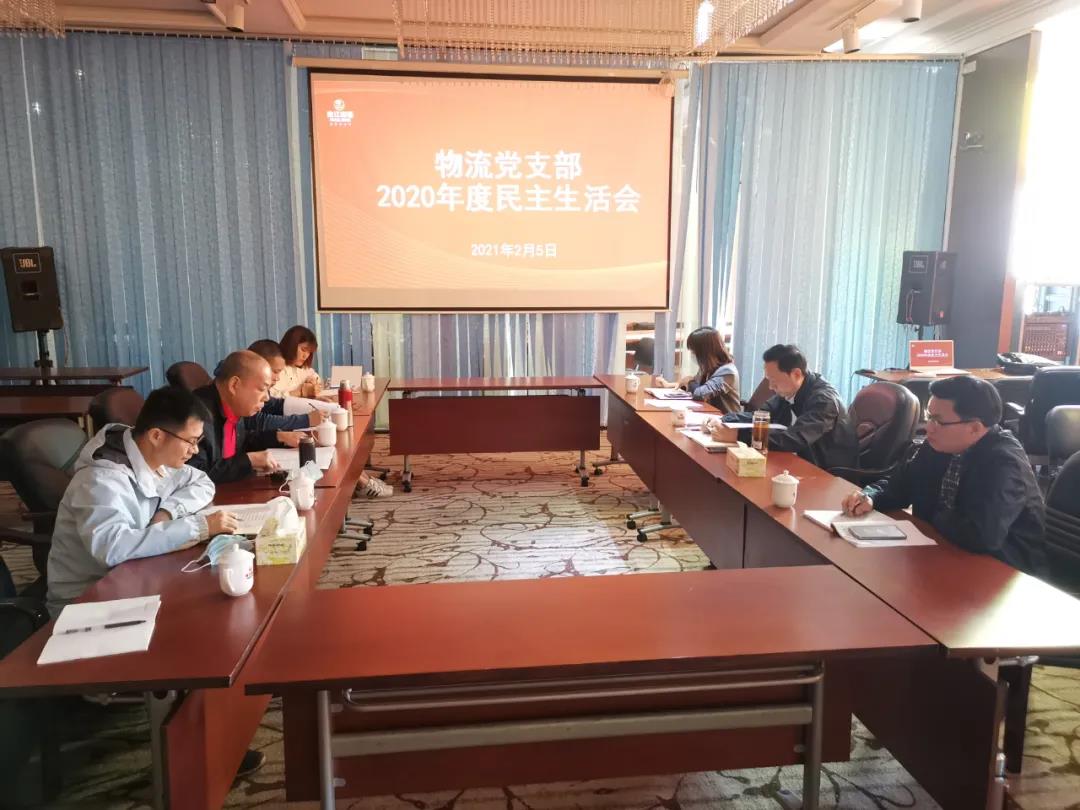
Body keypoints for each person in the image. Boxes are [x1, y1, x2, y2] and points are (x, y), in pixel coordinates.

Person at [46, 386, 237, 616]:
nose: (195, 450)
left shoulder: (151, 453)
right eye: (191, 441)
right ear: (156, 436)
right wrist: (198, 527)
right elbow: (111, 547)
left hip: (133, 576)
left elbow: (202, 482)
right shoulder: (100, 480)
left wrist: (167, 513)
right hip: (86, 600)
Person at [842, 375, 1046, 576]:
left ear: (975, 427)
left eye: (938, 421)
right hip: (943, 550)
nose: (928, 428)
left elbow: (981, 536)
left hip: (1004, 572)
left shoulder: (1004, 464)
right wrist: (870, 496)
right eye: (929, 417)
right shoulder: (938, 444)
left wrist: (934, 513)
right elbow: (901, 486)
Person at [248, 339, 392, 498]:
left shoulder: (288, 373)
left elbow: (276, 404)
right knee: (319, 451)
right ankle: (355, 486)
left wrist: (319, 405)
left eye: (309, 352)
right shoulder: (250, 389)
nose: (276, 377)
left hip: (269, 442)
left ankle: (358, 482)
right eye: (303, 349)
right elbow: (259, 421)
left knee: (327, 447)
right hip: (260, 458)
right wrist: (304, 420)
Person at [723, 344, 857, 470]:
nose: (770, 387)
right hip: (799, 460)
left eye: (774, 380)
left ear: (796, 374)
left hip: (827, 472)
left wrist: (737, 434)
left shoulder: (824, 401)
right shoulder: (790, 390)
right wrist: (724, 421)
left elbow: (794, 438)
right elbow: (760, 416)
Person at [189, 350, 298, 484]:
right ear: (234, 385)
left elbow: (241, 442)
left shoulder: (233, 404)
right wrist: (249, 461)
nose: (267, 397)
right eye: (262, 389)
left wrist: (278, 437)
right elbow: (194, 474)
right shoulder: (196, 416)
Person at [657, 327, 741, 413]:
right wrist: (669, 385)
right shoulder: (708, 367)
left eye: (694, 351)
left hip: (724, 419)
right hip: (707, 414)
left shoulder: (727, 372)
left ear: (704, 352)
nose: (692, 354)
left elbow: (700, 394)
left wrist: (689, 381)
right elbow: (697, 386)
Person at [272, 325, 322, 399]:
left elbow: (316, 378)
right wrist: (300, 391)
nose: (306, 356)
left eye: (309, 352)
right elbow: (269, 400)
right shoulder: (276, 370)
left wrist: (313, 382)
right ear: (291, 345)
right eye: (303, 350)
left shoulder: (303, 369)